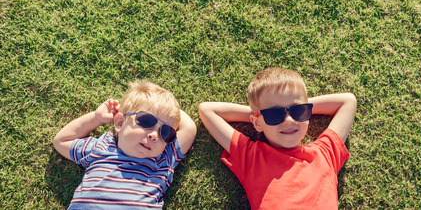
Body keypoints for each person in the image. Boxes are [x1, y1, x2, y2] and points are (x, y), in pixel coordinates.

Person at [199, 67, 356, 209]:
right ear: (256, 122)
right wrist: (258, 116)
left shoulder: (325, 153)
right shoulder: (251, 158)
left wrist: (278, 112)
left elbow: (348, 101)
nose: (288, 120)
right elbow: (207, 110)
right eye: (274, 114)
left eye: (299, 111)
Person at [53, 79, 197, 209]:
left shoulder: (163, 158)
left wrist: (168, 108)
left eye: (165, 132)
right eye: (147, 121)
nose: (154, 135)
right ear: (120, 122)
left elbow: (189, 129)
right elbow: (61, 141)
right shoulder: (101, 146)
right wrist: (96, 118)